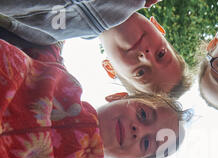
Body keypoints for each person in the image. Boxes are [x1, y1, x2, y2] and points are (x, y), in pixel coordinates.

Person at [0, 38, 190, 158]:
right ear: (119, 96)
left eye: (146, 143)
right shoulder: (61, 76)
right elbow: (55, 32)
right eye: (142, 113)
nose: (138, 130)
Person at [0, 2, 192, 97]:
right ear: (158, 27)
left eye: (141, 72)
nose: (145, 56)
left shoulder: (43, 36)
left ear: (110, 68)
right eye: (161, 54)